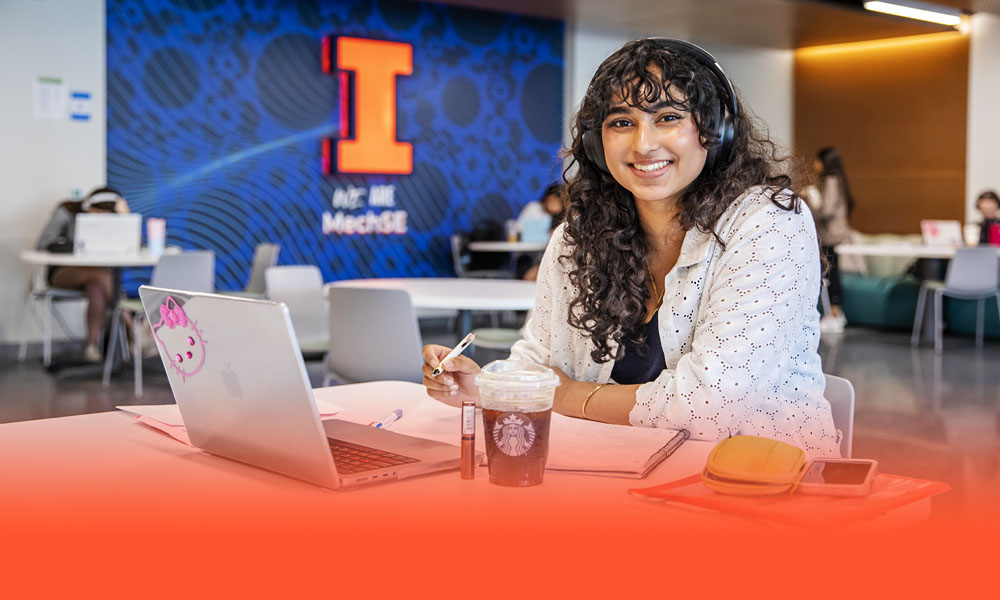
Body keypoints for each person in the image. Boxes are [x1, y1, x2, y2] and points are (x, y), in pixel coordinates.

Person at [421, 38, 840, 458]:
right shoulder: (579, 238)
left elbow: (711, 404)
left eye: (669, 117)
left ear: (716, 130)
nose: (643, 144)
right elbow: (538, 362)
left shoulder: (767, 222)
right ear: (595, 142)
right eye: (622, 122)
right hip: (617, 475)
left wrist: (568, 397)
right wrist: (487, 388)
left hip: (764, 485)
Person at [35, 187, 130, 362]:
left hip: (96, 278)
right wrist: (77, 244)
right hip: (62, 273)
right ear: (88, 207)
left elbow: (133, 247)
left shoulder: (115, 221)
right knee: (103, 276)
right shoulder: (66, 212)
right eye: (97, 213)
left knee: (96, 287)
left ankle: (91, 347)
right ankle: (133, 328)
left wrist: (125, 218)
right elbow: (43, 243)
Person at [802, 147, 853, 334]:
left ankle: (834, 313)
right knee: (833, 272)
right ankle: (834, 313)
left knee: (831, 272)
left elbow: (827, 210)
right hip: (837, 233)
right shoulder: (839, 179)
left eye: (817, 160)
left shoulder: (831, 180)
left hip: (831, 234)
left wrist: (809, 207)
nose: (815, 165)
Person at [516, 183, 566, 280]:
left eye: (557, 201)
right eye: (552, 200)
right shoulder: (533, 208)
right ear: (546, 198)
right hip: (531, 254)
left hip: (550, 256)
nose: (553, 204)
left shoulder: (561, 217)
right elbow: (519, 229)